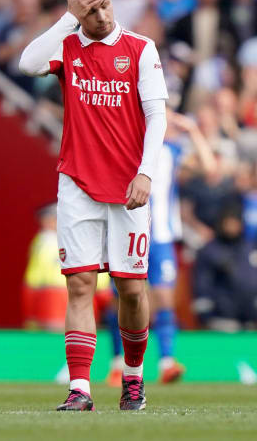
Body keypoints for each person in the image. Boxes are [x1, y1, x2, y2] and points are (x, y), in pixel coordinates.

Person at [19, 0, 168, 411]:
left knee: (132, 290)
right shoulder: (66, 45)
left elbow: (157, 116)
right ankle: (80, 388)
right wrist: (69, 18)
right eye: (90, 9)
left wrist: (145, 173)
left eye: (105, 4)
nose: (101, 15)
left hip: (128, 186)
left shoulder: (140, 48)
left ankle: (134, 379)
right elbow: (28, 64)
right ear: (73, 6)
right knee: (81, 284)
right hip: (78, 182)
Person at [106, 111, 215, 386]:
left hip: (162, 238)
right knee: (120, 299)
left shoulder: (171, 151)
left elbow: (209, 168)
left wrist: (193, 130)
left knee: (165, 299)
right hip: (126, 232)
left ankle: (167, 363)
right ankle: (117, 364)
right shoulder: (127, 145)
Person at [22, 204, 68, 331]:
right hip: (44, 291)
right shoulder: (45, 239)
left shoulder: (50, 239)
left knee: (52, 329)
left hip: (54, 291)